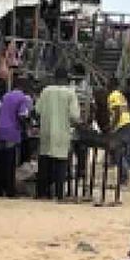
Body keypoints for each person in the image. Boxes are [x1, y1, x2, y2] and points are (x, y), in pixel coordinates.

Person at [35, 68, 78, 201]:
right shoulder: (70, 93)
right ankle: (59, 194)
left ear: (54, 78)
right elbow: (74, 115)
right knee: (60, 164)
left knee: (44, 165)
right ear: (66, 80)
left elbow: (37, 110)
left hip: (46, 132)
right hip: (61, 133)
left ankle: (42, 193)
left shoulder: (46, 91)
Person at [0, 77, 33, 198]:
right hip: (12, 131)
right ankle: (10, 190)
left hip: (0, 130)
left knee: (0, 161)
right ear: (24, 87)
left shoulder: (6, 96)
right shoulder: (23, 98)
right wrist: (26, 128)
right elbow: (22, 115)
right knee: (10, 162)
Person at [107, 78, 130, 188]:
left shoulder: (113, 96)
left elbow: (118, 112)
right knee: (120, 152)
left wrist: (112, 127)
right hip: (127, 123)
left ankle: (124, 179)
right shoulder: (120, 95)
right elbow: (127, 109)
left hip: (122, 125)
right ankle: (122, 179)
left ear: (111, 85)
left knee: (119, 152)